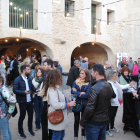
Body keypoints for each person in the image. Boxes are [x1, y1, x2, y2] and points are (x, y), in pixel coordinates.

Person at [79, 64, 115, 140]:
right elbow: (113, 96)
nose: (91, 74)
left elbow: (90, 107)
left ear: (96, 73)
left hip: (94, 123)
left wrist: (82, 121)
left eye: (92, 72)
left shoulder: (95, 88)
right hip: (104, 120)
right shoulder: (108, 85)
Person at [46, 69, 76, 140]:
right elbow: (55, 105)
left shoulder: (57, 87)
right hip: (57, 116)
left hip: (61, 116)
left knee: (61, 136)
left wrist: (69, 104)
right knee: (57, 137)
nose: (61, 77)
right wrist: (68, 105)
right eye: (59, 76)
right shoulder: (52, 89)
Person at [13, 65, 40, 139]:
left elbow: (31, 87)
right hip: (22, 102)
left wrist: (35, 90)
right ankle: (20, 131)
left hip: (30, 101)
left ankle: (30, 130)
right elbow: (14, 90)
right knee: (22, 117)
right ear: (24, 71)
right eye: (28, 69)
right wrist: (23, 92)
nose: (30, 70)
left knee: (31, 116)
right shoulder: (17, 79)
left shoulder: (29, 78)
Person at [105, 70, 134, 137]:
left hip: (116, 102)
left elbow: (121, 87)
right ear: (111, 77)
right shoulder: (109, 83)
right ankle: (107, 129)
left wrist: (129, 85)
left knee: (113, 116)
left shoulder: (115, 83)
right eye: (115, 76)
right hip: (111, 103)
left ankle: (112, 127)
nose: (117, 77)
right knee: (109, 116)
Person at [71, 69, 91, 139]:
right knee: (76, 120)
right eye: (80, 73)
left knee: (83, 120)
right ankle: (75, 136)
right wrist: (80, 93)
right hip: (77, 103)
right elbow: (72, 91)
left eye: (82, 73)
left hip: (85, 104)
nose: (80, 75)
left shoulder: (89, 83)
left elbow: (87, 95)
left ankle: (83, 135)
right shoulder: (76, 81)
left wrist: (77, 93)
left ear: (86, 75)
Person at [0, 76, 16, 140]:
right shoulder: (2, 88)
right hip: (3, 114)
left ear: (0, 82)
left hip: (3, 115)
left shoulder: (3, 90)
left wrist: (10, 112)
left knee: (5, 133)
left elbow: (13, 100)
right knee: (7, 131)